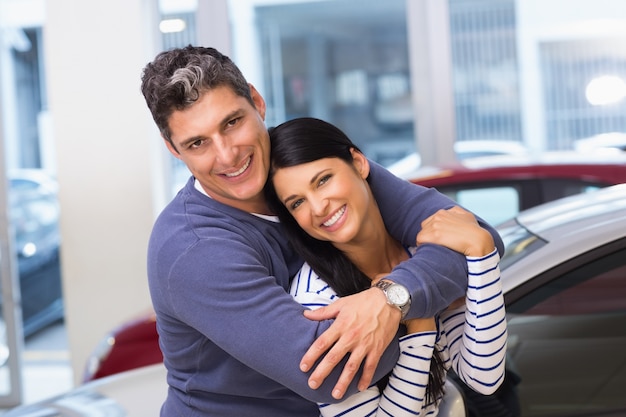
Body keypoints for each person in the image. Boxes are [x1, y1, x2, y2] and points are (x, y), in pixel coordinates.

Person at [140, 45, 504, 416]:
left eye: (232, 122)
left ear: (257, 102)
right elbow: (330, 373)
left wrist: (392, 298)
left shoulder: (308, 165)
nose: (228, 155)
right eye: (197, 143)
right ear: (174, 150)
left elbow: (472, 236)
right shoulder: (195, 249)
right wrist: (416, 305)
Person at [264, 117, 507, 416]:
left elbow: (484, 376)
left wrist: (482, 252)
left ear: (358, 163)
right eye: (297, 202)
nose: (318, 207)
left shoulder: (423, 253)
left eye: (323, 180)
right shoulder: (316, 303)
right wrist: (419, 326)